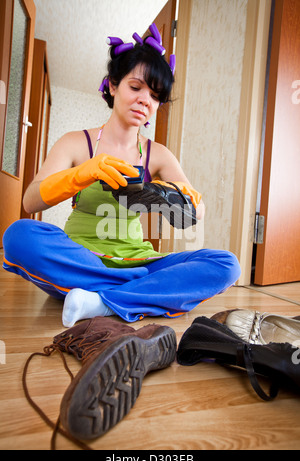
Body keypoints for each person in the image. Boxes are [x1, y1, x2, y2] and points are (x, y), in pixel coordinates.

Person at [2, 24, 241, 327]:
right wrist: (83, 173)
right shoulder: (76, 143)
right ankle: (137, 291)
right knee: (18, 236)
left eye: (155, 96)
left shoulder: (159, 155)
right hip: (81, 258)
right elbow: (30, 201)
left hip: (138, 259)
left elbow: (196, 212)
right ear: (113, 86)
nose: (145, 100)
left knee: (226, 264)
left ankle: (100, 301)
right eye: (136, 87)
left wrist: (183, 198)